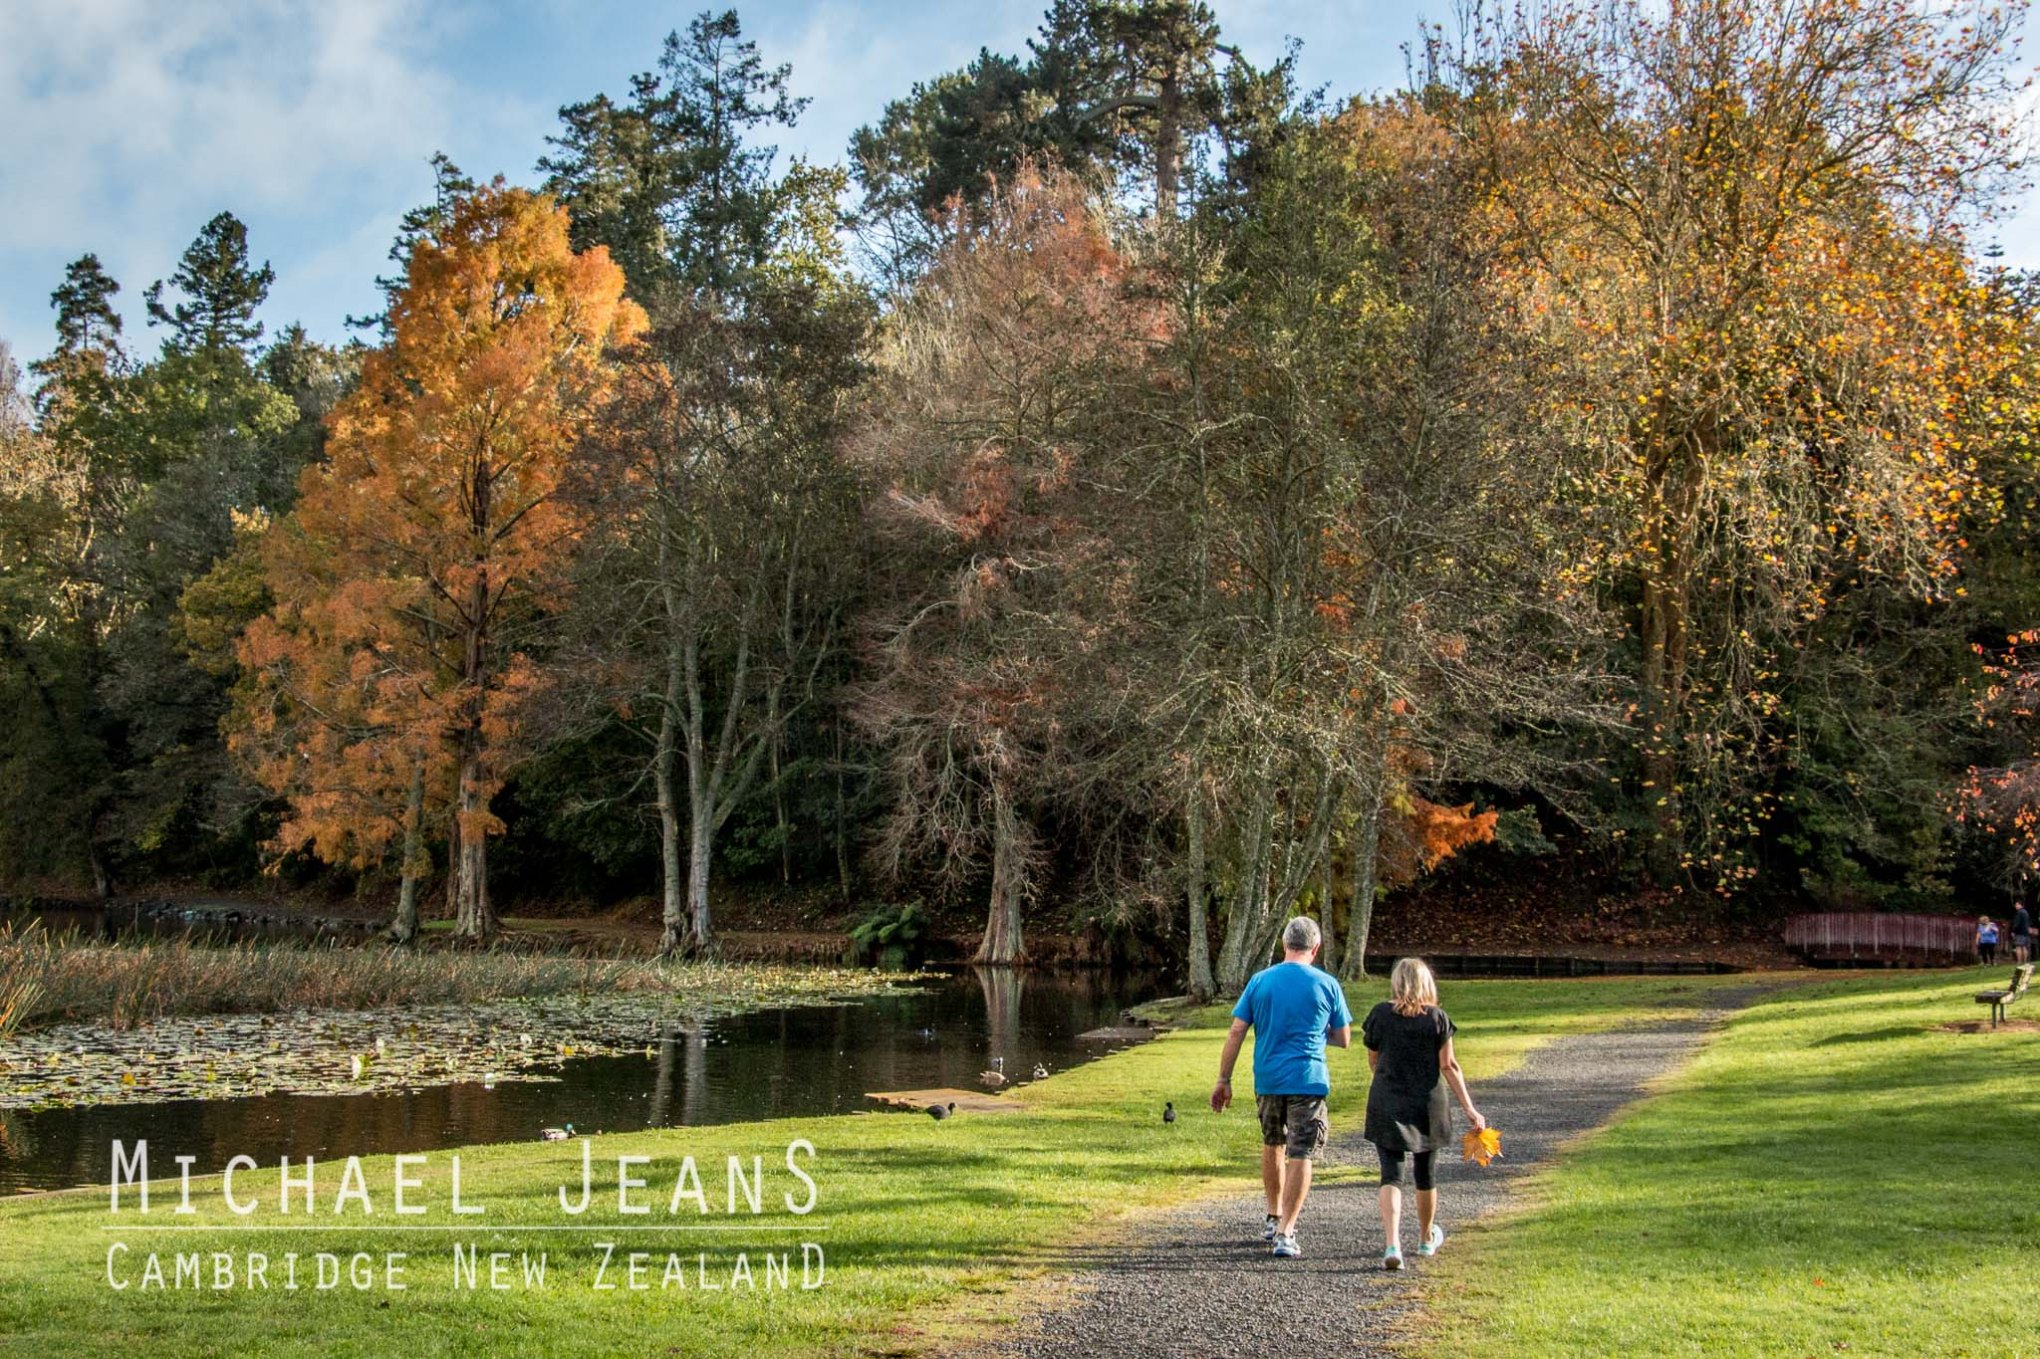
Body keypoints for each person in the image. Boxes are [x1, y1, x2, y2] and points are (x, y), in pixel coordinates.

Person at [1211, 916, 1352, 1260]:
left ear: (1284, 945)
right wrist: (1317, 1034)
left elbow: (1236, 1031)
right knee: (1301, 1151)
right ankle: (1287, 1231)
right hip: (1308, 1079)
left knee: (1273, 1142)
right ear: (1315, 949)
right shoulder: (1327, 984)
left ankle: (1273, 1215)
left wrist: (1224, 1079)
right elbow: (1344, 1038)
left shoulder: (1260, 982)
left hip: (1269, 1079)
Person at [1362, 957, 1485, 1271]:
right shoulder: (1437, 1019)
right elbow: (1449, 1066)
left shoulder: (1379, 1014)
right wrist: (1469, 1107)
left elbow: (1374, 1060)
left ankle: (1392, 1243)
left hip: (1387, 1099)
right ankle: (1426, 1238)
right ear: (1426, 983)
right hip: (1428, 1103)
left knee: (1390, 1173)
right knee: (1425, 1173)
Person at [2011, 901, 2032, 966]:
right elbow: (2029, 922)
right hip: (2026, 932)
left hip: (2020, 932)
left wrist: (2013, 931)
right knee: (2024, 947)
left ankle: (2019, 962)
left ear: (2021, 905)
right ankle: (2025, 962)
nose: (2016, 906)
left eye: (2017, 904)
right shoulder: (2026, 912)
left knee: (2018, 947)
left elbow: (2017, 923)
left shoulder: (2019, 912)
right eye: (2015, 904)